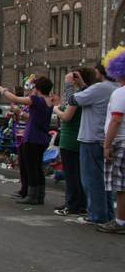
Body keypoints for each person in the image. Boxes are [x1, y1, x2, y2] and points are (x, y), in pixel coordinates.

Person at [65, 64, 118, 225]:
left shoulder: (100, 88)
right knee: (104, 181)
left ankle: (96, 214)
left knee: (91, 181)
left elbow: (72, 99)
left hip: (91, 138)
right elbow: (92, 95)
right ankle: (108, 214)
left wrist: (69, 83)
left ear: (102, 72)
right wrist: (82, 85)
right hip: (105, 139)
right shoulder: (115, 89)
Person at [0, 77, 58, 204]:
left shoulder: (36, 100)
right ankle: (40, 194)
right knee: (38, 167)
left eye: (34, 87)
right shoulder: (49, 102)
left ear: (39, 89)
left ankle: (32, 195)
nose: (32, 90)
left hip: (32, 138)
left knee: (31, 168)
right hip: (43, 138)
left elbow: (15, 99)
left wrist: (3, 90)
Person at [53, 68, 95, 216]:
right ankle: (81, 204)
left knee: (71, 174)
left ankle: (72, 205)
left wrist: (56, 110)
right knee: (80, 174)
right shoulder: (87, 94)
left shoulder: (77, 96)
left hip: (70, 137)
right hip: (79, 136)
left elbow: (67, 117)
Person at [99, 47, 125, 233]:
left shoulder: (120, 94)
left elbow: (115, 121)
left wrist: (107, 145)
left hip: (121, 142)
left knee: (121, 187)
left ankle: (120, 222)